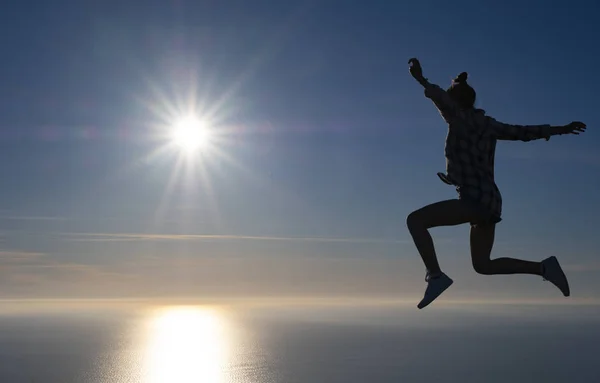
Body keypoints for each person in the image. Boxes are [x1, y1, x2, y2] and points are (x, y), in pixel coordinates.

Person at [406, 58, 587, 309]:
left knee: (415, 220)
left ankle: (435, 276)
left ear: (456, 103)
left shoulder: (458, 118)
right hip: (490, 202)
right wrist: (561, 129)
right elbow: (523, 132)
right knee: (483, 265)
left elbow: (441, 99)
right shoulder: (489, 125)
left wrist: (420, 78)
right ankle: (545, 268)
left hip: (473, 200)